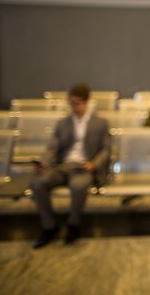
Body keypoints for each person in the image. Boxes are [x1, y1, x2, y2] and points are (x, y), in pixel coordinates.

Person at [30, 83, 110, 248]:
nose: (74, 107)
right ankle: (49, 226)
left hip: (83, 167)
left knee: (78, 185)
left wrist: (93, 164)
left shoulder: (100, 123)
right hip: (63, 167)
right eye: (71, 103)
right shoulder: (62, 123)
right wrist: (43, 163)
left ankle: (74, 224)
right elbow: (52, 147)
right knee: (37, 183)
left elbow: (106, 150)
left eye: (77, 103)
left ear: (86, 102)